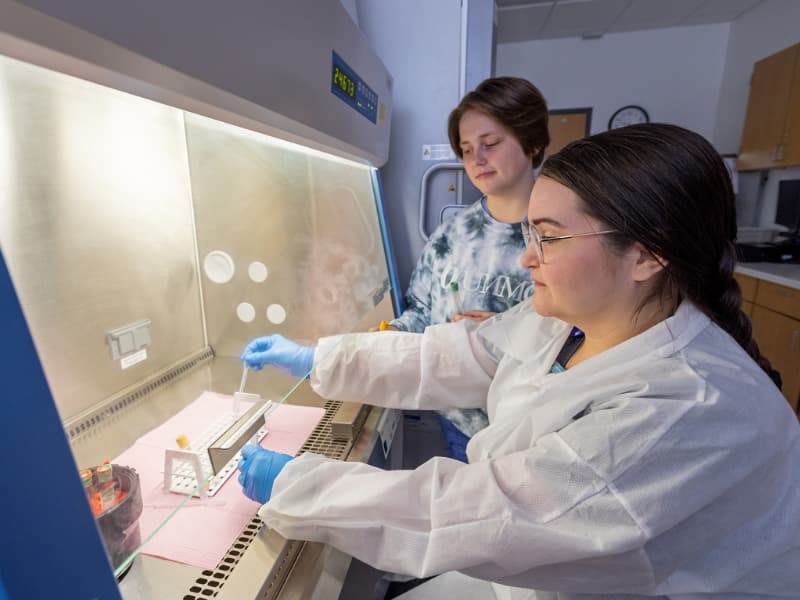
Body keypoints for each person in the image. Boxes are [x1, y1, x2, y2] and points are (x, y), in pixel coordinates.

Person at [238, 123, 800, 599]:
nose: (528, 256)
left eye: (549, 237)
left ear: (647, 254)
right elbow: (457, 354)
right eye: (531, 232)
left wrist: (300, 483)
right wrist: (322, 358)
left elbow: (491, 514)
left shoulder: (684, 408)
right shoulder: (574, 318)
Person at [377, 76, 549, 462]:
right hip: (462, 422)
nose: (477, 159)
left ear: (532, 142)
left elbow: (594, 336)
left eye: (490, 144)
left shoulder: (564, 232)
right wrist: (384, 338)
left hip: (535, 432)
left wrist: (511, 334)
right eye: (467, 149)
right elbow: (421, 311)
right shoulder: (452, 235)